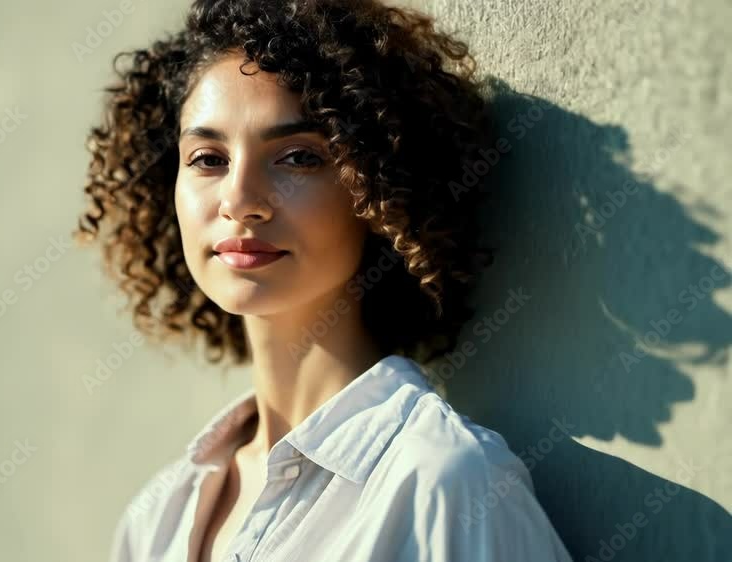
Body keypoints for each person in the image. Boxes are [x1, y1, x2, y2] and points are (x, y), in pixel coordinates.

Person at [75, 0, 573, 560]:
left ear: (380, 193)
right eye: (208, 159)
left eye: (297, 158)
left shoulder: (445, 486)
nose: (239, 201)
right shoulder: (156, 520)